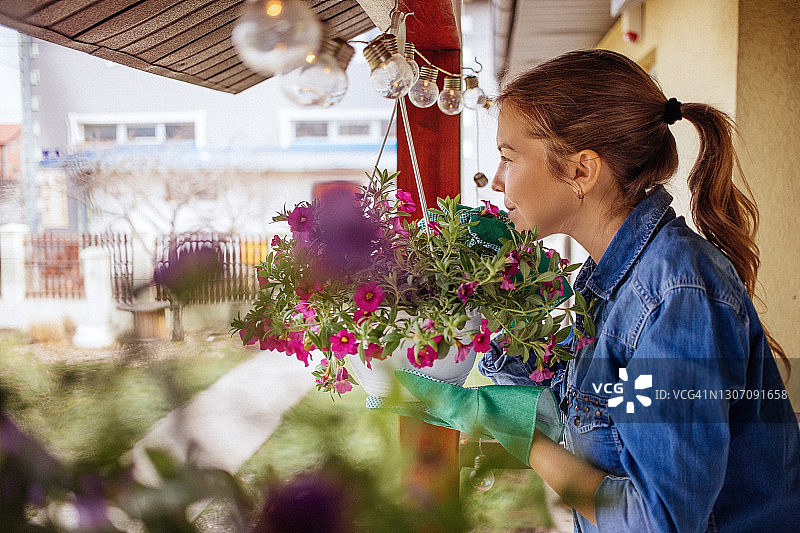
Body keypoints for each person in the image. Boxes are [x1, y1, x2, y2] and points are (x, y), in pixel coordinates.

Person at [393, 49, 800, 532]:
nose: (498, 180)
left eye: (508, 157)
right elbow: (579, 416)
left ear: (582, 171)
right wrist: (500, 312)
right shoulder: (610, 282)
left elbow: (657, 522)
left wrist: (520, 435)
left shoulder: (673, 295)